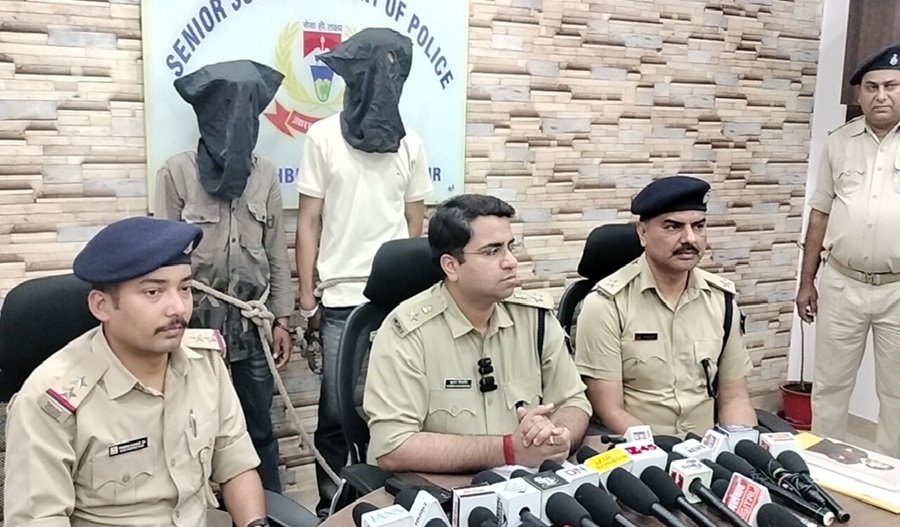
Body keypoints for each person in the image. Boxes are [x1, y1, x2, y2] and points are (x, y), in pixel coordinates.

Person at [3, 217, 268, 527]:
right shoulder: (50, 400)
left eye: (184, 288)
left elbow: (236, 466)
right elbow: (40, 520)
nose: (178, 308)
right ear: (101, 306)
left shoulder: (204, 361)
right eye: (153, 292)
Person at [295, 27, 432, 511]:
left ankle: (389, 503)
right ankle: (331, 507)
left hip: (396, 302)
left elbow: (414, 220)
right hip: (339, 299)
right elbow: (308, 221)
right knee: (336, 412)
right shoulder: (323, 137)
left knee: (396, 408)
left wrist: (410, 286)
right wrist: (307, 296)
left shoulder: (410, 144)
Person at [363, 194, 591, 473]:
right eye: (492, 252)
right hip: (440, 488)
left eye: (510, 247)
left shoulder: (535, 319)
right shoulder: (406, 332)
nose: (511, 262)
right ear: (451, 266)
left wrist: (559, 435)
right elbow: (393, 446)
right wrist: (508, 450)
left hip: (528, 483)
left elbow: (574, 401)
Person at [156, 60, 294, 492]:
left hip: (252, 324)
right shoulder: (177, 172)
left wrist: (282, 319)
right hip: (194, 326)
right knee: (190, 426)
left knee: (259, 427)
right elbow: (161, 262)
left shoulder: (265, 174)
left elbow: (276, 251)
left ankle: (269, 510)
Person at [575, 176, 757, 436]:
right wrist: (668, 453)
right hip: (639, 448)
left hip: (706, 447)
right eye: (673, 227)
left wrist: (740, 443)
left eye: (699, 226)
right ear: (643, 233)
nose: (690, 238)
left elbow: (735, 398)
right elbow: (610, 410)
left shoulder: (721, 300)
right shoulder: (606, 304)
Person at [796, 43, 900, 459]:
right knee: (831, 386)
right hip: (842, 283)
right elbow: (819, 214)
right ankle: (823, 469)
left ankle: (891, 479)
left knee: (897, 391)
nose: (881, 96)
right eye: (872, 87)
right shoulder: (838, 142)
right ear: (860, 94)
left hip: (898, 288)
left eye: (891, 86)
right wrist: (807, 281)